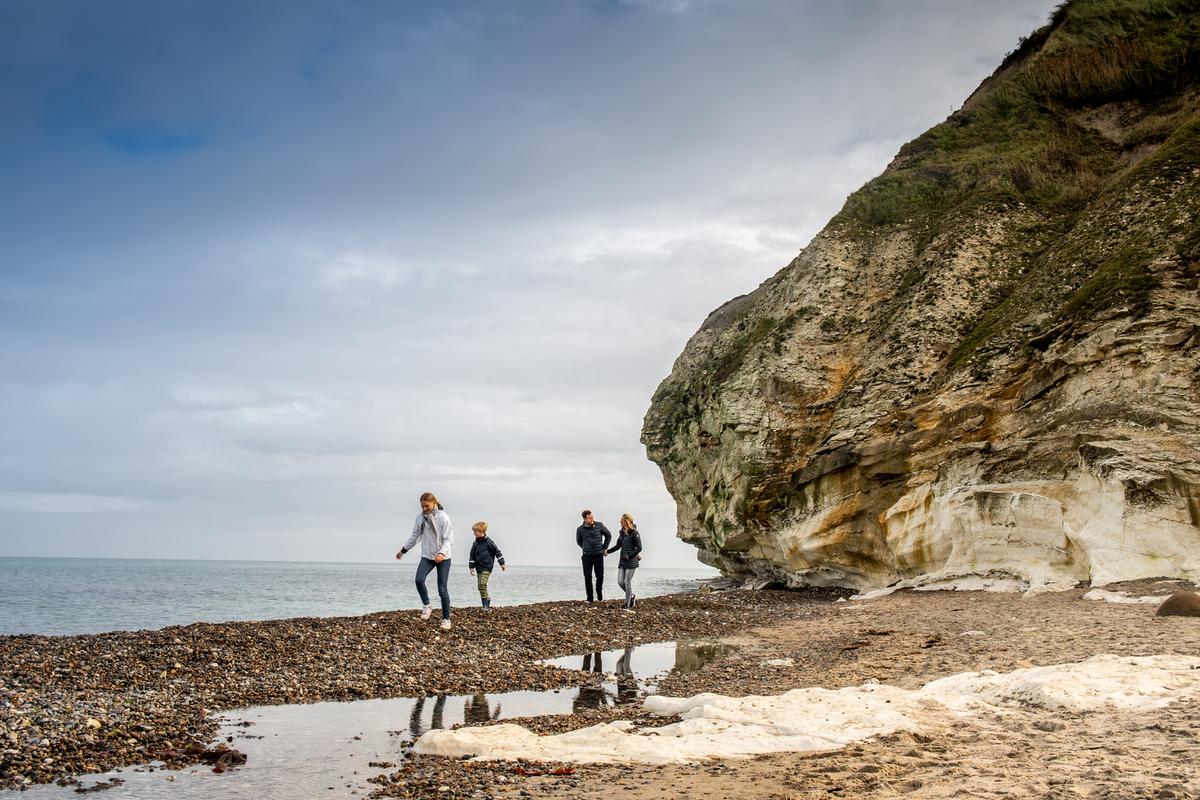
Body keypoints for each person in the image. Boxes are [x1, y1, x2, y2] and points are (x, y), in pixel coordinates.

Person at [396, 492, 455, 630]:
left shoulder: (443, 518)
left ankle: (446, 619)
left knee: (442, 589)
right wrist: (403, 550)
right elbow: (415, 536)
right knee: (419, 579)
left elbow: (449, 539)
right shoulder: (420, 518)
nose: (424, 509)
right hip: (428, 555)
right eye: (422, 506)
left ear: (434, 503)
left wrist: (441, 553)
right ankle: (427, 605)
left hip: (443, 557)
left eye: (426, 506)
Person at [607, 513, 643, 610]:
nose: (620, 522)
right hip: (622, 561)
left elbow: (639, 548)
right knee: (620, 582)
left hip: (631, 561)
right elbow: (618, 546)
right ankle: (631, 596)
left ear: (626, 521)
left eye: (621, 520)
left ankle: (627, 603)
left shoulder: (635, 532)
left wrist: (629, 556)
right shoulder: (622, 532)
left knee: (627, 581)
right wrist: (607, 552)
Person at [467, 521, 506, 609]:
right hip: (478, 567)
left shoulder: (489, 542)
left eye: (475, 531)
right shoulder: (475, 544)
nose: (474, 533)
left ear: (481, 531)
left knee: (482, 584)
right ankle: (486, 600)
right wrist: (471, 567)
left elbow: (497, 552)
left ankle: (486, 605)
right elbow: (472, 556)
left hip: (487, 567)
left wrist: (502, 563)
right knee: (480, 586)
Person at [575, 509, 612, 603]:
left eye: (592, 517)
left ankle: (599, 592)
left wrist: (605, 548)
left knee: (600, 576)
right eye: (589, 518)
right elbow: (579, 541)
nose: (592, 519)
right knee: (587, 577)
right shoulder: (580, 529)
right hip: (586, 556)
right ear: (584, 519)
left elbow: (608, 535)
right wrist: (585, 548)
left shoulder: (599, 525)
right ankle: (590, 598)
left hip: (598, 555)